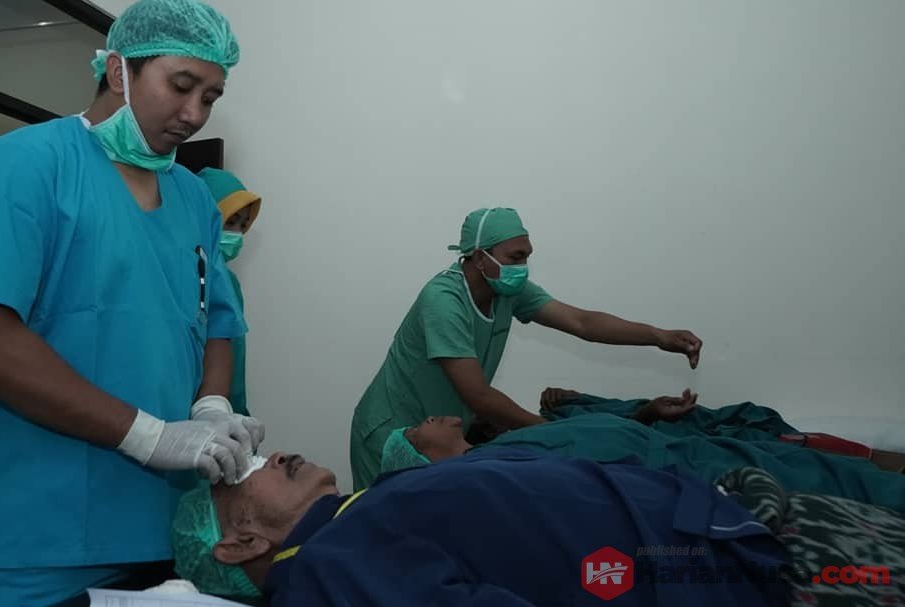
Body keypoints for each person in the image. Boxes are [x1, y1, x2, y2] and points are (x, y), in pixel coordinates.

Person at [0, 2, 264, 604]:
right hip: (46, 530)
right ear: (118, 71)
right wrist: (148, 437)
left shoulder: (193, 197)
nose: (194, 114)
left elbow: (216, 319)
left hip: (171, 529)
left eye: (210, 97)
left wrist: (213, 407)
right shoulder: (32, 161)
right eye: (181, 86)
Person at [350, 206, 704, 489]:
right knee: (377, 529)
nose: (522, 267)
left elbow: (582, 322)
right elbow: (479, 396)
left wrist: (660, 337)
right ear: (479, 256)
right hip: (394, 433)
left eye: (526, 257)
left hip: (443, 437)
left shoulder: (507, 291)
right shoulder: (443, 300)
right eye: (515, 257)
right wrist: (552, 432)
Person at [171, 451, 791, 606]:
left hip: (703, 524)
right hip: (706, 569)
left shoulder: (352, 519)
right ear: (241, 543)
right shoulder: (327, 569)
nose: (273, 455)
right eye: (245, 471)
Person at [379, 409, 905, 512]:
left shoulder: (504, 447)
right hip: (690, 476)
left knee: (840, 471)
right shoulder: (496, 472)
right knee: (834, 489)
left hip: (690, 450)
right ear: (421, 455)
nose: (431, 417)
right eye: (418, 427)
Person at [197, 168, 262, 415]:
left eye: (243, 225)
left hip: (221, 410)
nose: (236, 234)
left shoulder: (227, 281)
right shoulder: (189, 276)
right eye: (230, 222)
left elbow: (234, 363)